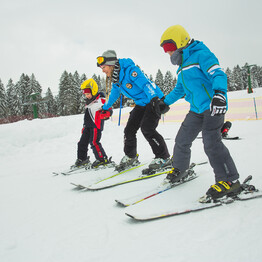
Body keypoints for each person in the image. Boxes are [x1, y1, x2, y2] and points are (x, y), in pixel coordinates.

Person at [159, 25, 241, 201]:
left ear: (180, 42)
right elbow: (179, 89)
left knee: (211, 142)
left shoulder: (201, 54)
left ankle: (229, 180)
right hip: (196, 110)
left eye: (169, 47)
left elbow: (218, 74)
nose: (168, 53)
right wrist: (164, 102)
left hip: (213, 106)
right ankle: (180, 169)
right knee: (182, 139)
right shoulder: (181, 67)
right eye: (165, 49)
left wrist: (219, 94)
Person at [97, 50, 170, 173]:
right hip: (141, 103)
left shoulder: (130, 71)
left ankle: (164, 157)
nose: (103, 70)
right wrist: (105, 107)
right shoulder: (117, 79)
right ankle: (131, 156)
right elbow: (115, 94)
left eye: (104, 67)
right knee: (129, 129)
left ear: (111, 64)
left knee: (147, 128)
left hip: (153, 99)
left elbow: (146, 85)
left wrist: (155, 99)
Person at [73, 78, 113, 169]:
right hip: (87, 126)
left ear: (93, 91)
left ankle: (102, 159)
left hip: (96, 125)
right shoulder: (88, 102)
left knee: (94, 142)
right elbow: (87, 116)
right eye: (85, 94)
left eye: (88, 94)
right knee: (81, 143)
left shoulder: (101, 100)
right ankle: (82, 159)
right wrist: (84, 126)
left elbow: (109, 109)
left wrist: (106, 114)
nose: (87, 96)